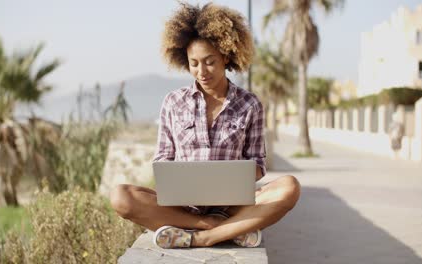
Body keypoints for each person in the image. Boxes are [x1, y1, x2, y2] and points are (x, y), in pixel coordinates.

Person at [110, 2, 300, 249]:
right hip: (185, 203)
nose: (201, 71)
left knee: (289, 187)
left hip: (233, 204)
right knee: (121, 197)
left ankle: (203, 237)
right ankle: (212, 225)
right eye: (194, 63)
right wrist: (179, 181)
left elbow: (258, 164)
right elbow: (163, 158)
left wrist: (232, 178)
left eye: (209, 61)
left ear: (226, 56)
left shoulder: (250, 104)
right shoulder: (173, 102)